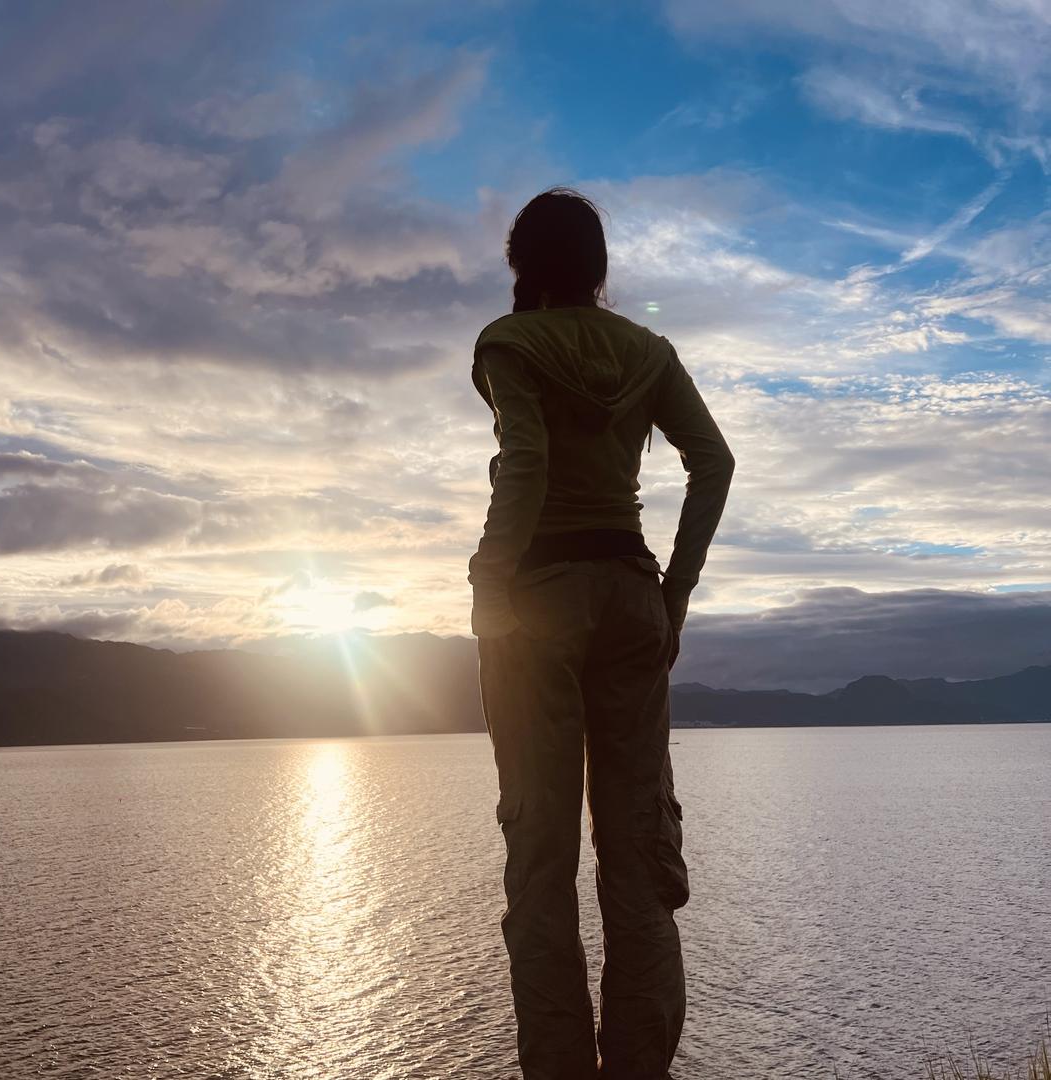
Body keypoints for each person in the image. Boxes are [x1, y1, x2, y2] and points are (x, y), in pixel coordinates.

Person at [468, 186, 735, 1080]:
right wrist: (677, 593)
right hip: (630, 594)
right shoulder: (647, 352)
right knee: (637, 853)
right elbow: (714, 462)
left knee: (540, 863)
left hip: (537, 598)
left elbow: (529, 463)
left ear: (523, 266)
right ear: (598, 269)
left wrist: (488, 586)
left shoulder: (509, 344)